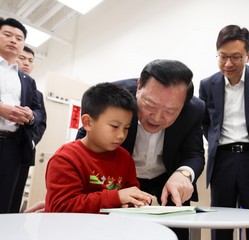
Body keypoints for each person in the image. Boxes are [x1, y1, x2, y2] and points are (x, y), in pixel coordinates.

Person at [27, 59, 205, 240]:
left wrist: (183, 175)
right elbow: (87, 146)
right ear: (138, 88)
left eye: (170, 112)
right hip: (113, 184)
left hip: (162, 183)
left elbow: (194, 154)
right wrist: (71, 198)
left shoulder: (194, 110)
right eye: (150, 105)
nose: (157, 117)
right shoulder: (115, 99)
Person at [199, 25, 249, 240]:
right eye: (223, 57)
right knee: (221, 225)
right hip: (222, 161)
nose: (228, 64)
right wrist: (215, 141)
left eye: (236, 57)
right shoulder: (207, 85)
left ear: (248, 55)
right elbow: (205, 123)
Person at [45, 82, 154, 212]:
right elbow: (62, 207)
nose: (121, 135)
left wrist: (132, 203)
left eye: (126, 128)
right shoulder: (66, 158)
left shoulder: (125, 158)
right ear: (87, 122)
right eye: (114, 126)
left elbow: (132, 194)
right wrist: (116, 197)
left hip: (110, 230)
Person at [0, 18, 43, 213]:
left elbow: (38, 111)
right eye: (7, 35)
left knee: (7, 203)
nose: (13, 40)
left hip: (14, 146)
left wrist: (31, 116)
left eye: (19, 38)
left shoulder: (27, 80)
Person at [10, 45, 47, 213]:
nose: (26, 63)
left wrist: (30, 141)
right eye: (22, 58)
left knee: (14, 195)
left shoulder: (36, 93)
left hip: (23, 149)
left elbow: (41, 122)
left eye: (30, 61)